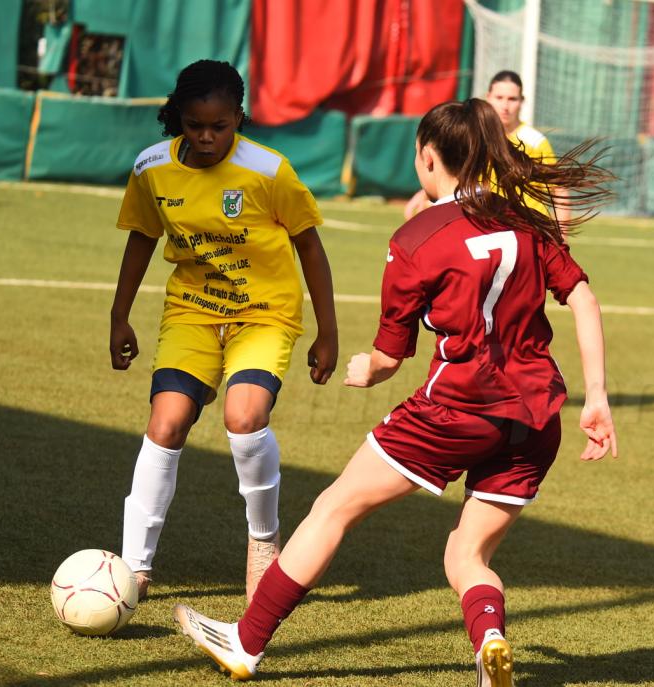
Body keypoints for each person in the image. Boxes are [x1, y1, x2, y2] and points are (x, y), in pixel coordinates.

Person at [173, 97, 618, 684]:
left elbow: (390, 355)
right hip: (537, 418)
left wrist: (367, 369)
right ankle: (489, 641)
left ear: (428, 157)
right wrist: (597, 397)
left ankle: (245, 642)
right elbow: (583, 299)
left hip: (456, 409)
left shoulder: (417, 237)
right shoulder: (525, 220)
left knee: (334, 508)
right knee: (467, 554)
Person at [110, 59, 339, 603]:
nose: (208, 137)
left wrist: (327, 332)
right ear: (178, 118)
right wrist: (119, 316)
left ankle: (263, 544)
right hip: (191, 312)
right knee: (166, 424)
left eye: (220, 125)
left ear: (239, 116)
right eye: (195, 125)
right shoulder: (151, 168)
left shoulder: (268, 170)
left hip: (264, 314)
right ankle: (133, 568)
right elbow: (141, 238)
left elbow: (309, 245)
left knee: (245, 417)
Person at [404, 70, 569, 225]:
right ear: (488, 97)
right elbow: (455, 171)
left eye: (512, 99)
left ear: (522, 101)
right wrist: (425, 192)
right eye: (499, 97)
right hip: (491, 224)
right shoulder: (477, 137)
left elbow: (558, 190)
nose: (505, 105)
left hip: (529, 226)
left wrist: (561, 237)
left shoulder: (535, 141)